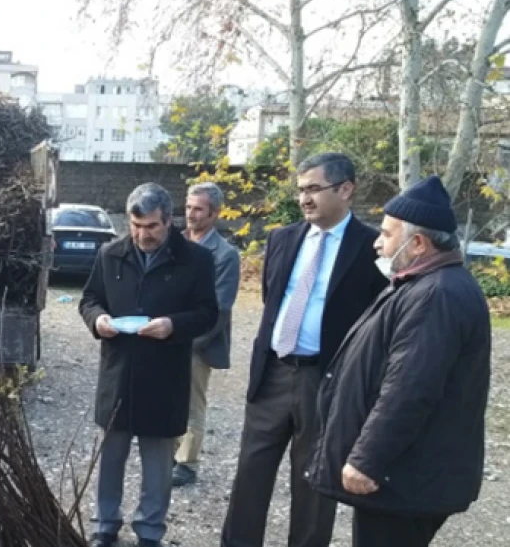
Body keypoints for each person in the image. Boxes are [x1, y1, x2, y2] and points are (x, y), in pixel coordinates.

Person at [308, 175, 491, 547]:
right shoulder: (419, 285)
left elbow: (409, 389)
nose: (377, 242)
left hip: (406, 479)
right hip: (403, 476)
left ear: (419, 243)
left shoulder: (437, 295)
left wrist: (366, 460)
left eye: (388, 234)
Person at [220, 152, 388, 547]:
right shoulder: (283, 238)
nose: (304, 199)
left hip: (327, 380)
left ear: (345, 189)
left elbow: (378, 320)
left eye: (314, 189)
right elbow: (271, 299)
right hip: (274, 372)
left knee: (314, 482)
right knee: (250, 474)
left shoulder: (371, 247)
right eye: (300, 190)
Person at [79, 183, 218, 547]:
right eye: (136, 226)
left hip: (165, 373)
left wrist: (173, 325)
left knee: (158, 464)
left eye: (152, 227)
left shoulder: (196, 260)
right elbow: (90, 299)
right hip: (118, 371)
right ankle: (104, 525)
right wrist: (98, 321)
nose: (142, 235)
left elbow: (207, 314)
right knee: (110, 457)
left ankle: (150, 531)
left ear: (168, 221)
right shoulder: (110, 254)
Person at [172, 182, 240, 488]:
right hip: (165, 335)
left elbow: (220, 308)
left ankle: (186, 463)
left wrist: (186, 341)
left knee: (190, 402)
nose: (191, 214)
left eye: (198, 209)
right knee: (164, 397)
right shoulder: (174, 242)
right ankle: (166, 453)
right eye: (188, 207)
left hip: (196, 344)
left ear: (214, 213)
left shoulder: (225, 255)